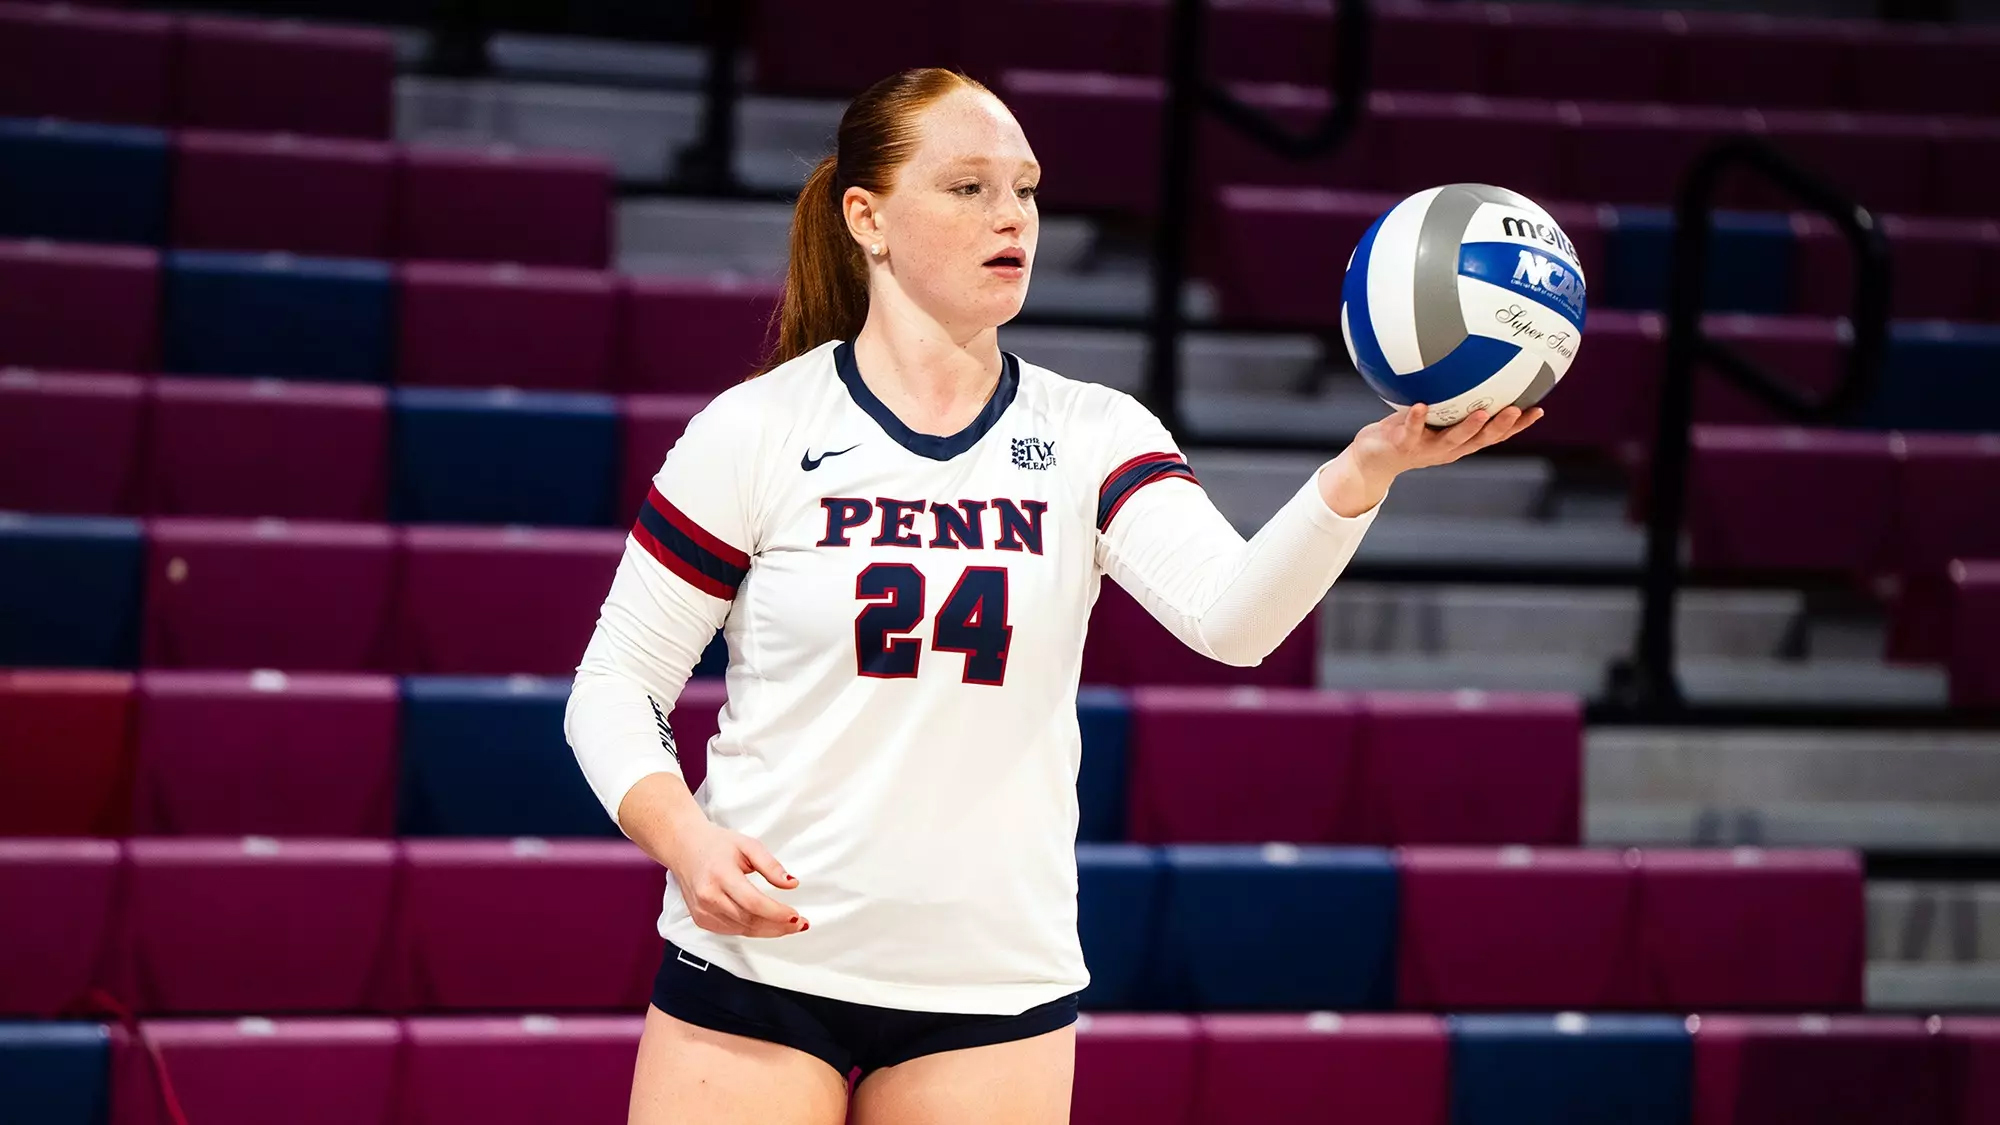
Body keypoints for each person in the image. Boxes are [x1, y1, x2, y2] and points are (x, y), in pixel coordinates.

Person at [565, 67, 1541, 1125]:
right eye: (968, 188)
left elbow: (1233, 622)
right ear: (868, 217)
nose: (1011, 218)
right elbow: (614, 686)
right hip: (753, 974)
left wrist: (1361, 474)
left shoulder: (1094, 433)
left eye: (1024, 189)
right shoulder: (757, 429)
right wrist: (686, 840)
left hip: (990, 985)